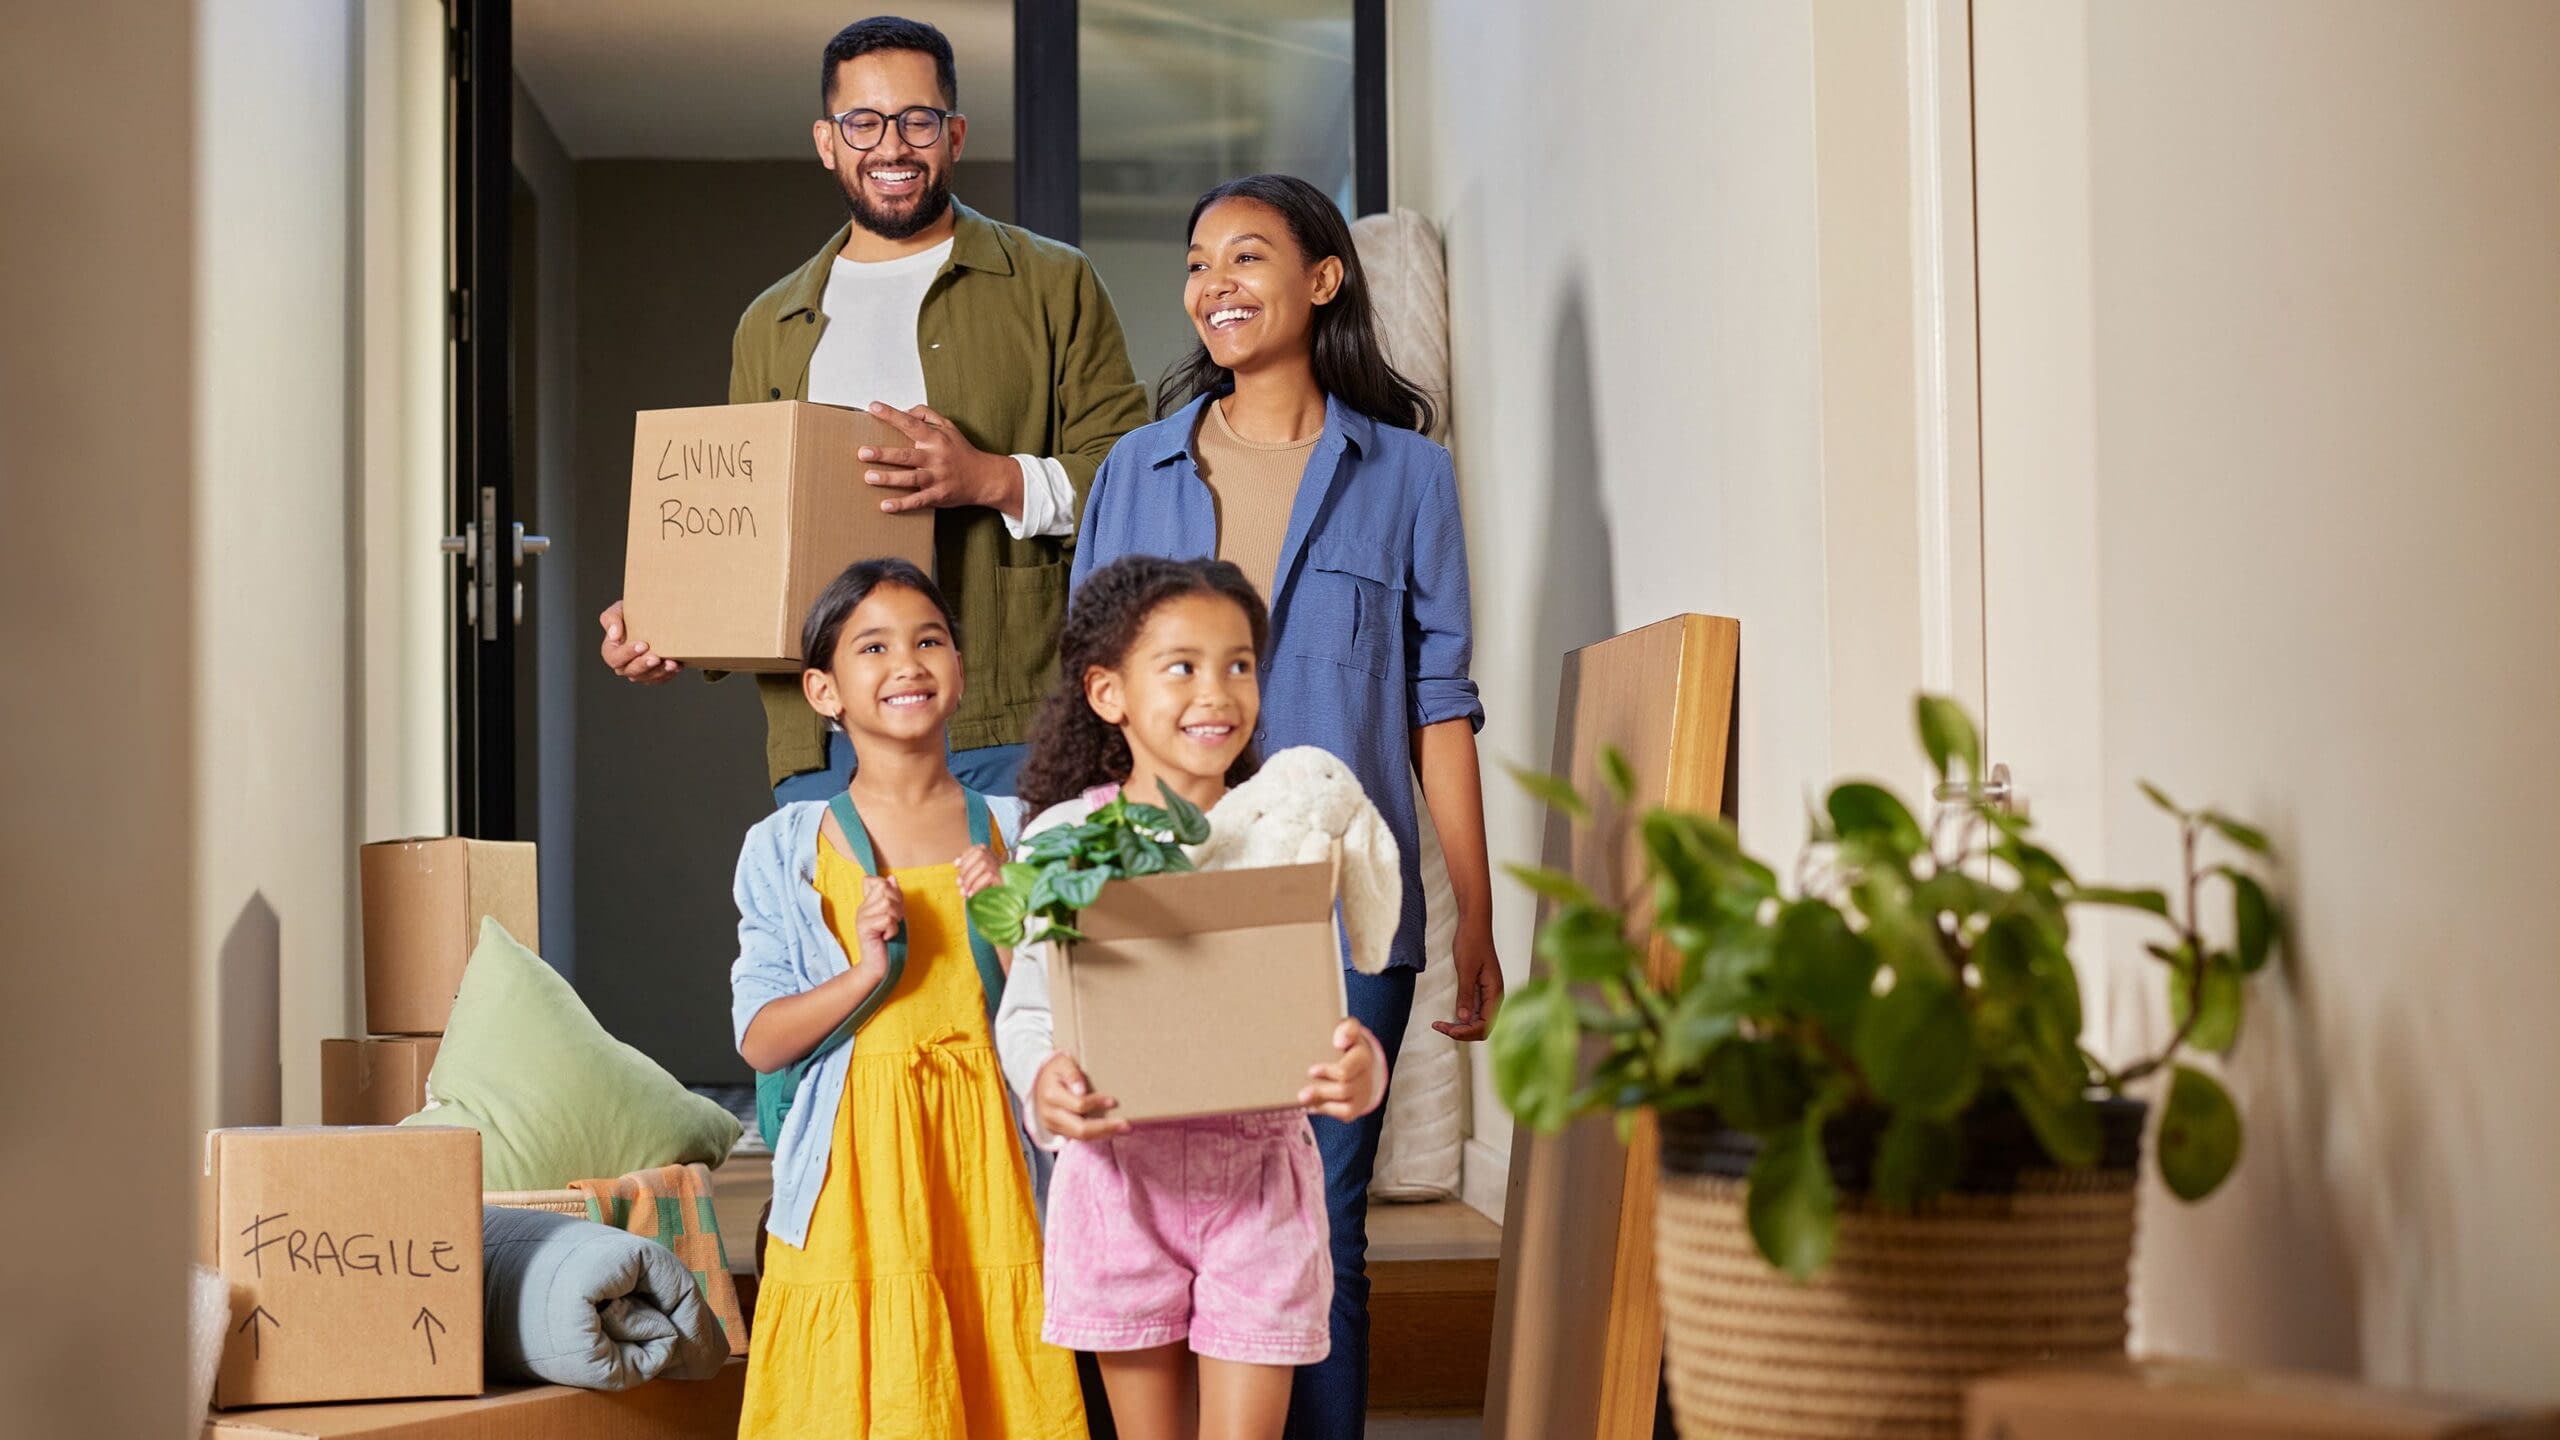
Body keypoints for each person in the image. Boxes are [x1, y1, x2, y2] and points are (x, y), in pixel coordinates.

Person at [1068, 173, 1505, 1435]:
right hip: (1159, 899)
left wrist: (1474, 915)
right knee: (1147, 1225)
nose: (1213, 284)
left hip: (1333, 905)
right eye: (1197, 262)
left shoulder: (1407, 476)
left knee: (1316, 1227)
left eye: (1246, 256)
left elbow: (1437, 706)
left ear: (1321, 280)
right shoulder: (1133, 471)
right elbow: (1089, 694)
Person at [599, 15, 1149, 804]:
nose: (892, 147)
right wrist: (666, 628)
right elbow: (743, 532)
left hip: (1009, 724)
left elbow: (1132, 484)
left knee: (1018, 895)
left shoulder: (1054, 284)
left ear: (954, 135)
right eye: (863, 123)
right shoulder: (769, 323)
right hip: (825, 740)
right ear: (827, 142)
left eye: (916, 120)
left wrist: (990, 478)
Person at [994, 555, 1394, 1440]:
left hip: (1260, 1185)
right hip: (1116, 1185)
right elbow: (1029, 1011)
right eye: (1181, 666)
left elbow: (1317, 1008)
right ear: (1108, 692)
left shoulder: (1286, 834)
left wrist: (1359, 1068)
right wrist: (1044, 1082)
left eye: (1239, 664)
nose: (1217, 691)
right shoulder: (1065, 840)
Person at [729, 558, 1085, 1439]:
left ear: (960, 670)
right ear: (823, 691)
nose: (907, 664)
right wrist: (863, 970)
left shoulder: (1025, 829)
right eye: (873, 647)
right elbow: (761, 1041)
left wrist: (1010, 921)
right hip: (853, 1173)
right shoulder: (784, 846)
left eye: (929, 641)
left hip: (992, 1165)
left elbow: (1077, 1017)